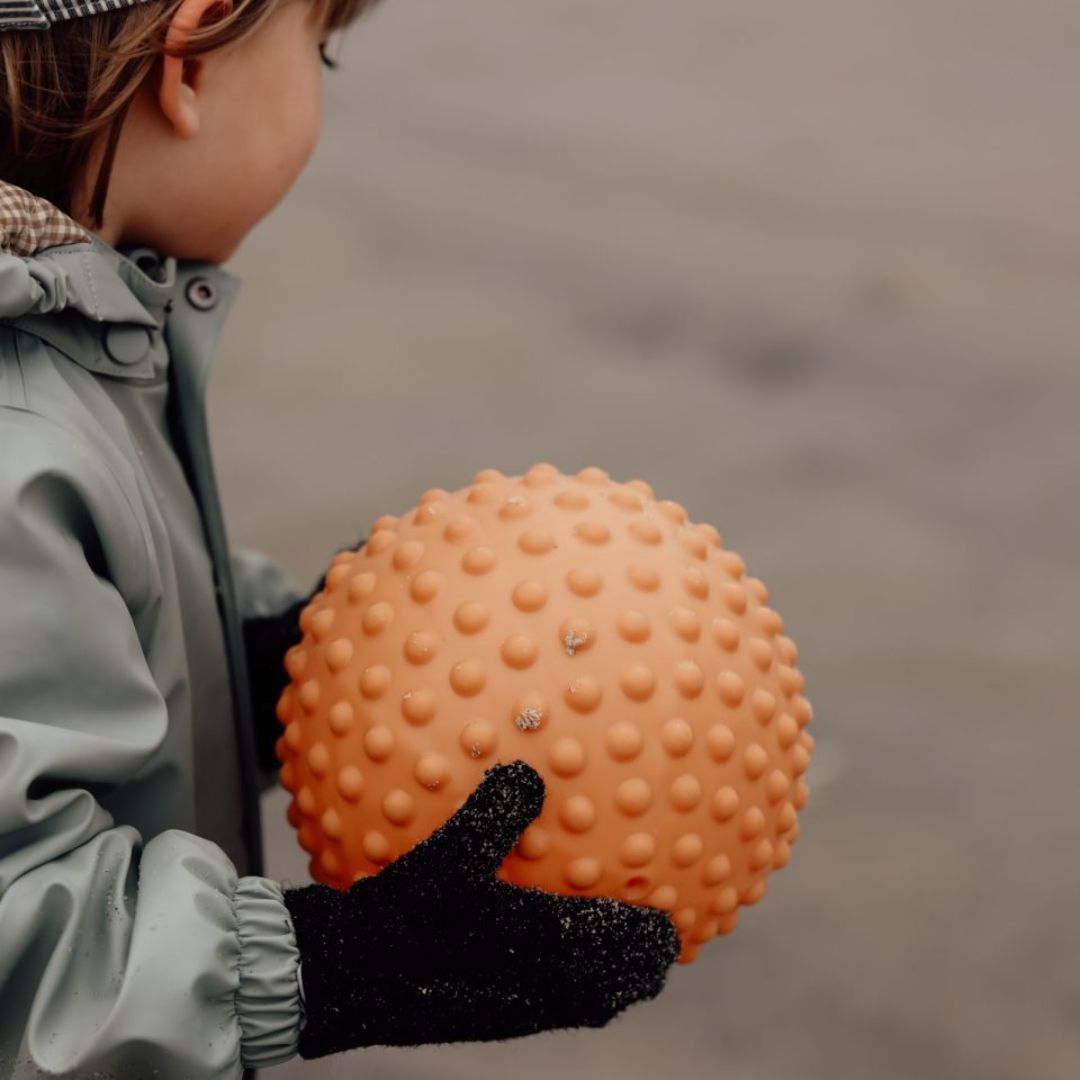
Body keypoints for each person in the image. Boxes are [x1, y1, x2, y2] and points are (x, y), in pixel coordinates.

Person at [0, 0, 681, 1077]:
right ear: (189, 61)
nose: (320, 78)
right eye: (319, 48)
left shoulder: (67, 329)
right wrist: (327, 963)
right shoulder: (18, 428)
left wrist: (267, 664)